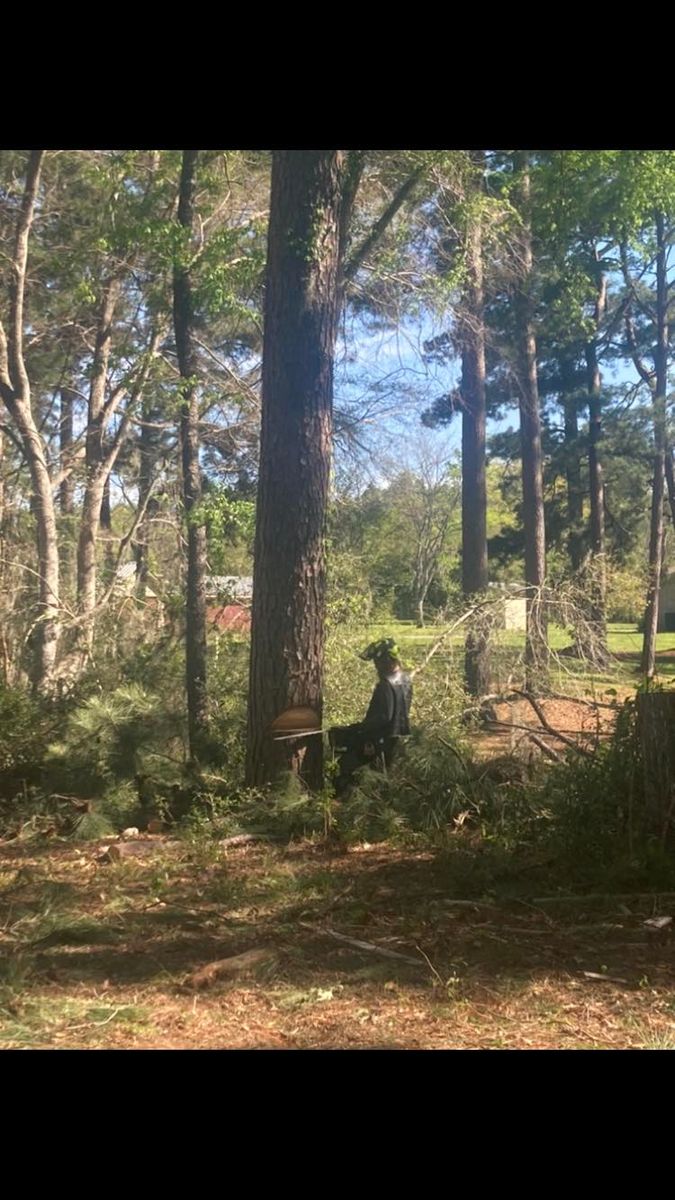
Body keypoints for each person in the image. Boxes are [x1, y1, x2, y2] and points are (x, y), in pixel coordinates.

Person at [329, 637, 413, 797]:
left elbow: (383, 717)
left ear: (387, 660)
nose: (376, 666)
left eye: (378, 661)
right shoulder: (406, 680)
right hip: (397, 738)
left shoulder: (385, 685)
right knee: (382, 776)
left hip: (380, 740)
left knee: (344, 766)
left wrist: (363, 733)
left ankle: (345, 805)